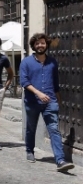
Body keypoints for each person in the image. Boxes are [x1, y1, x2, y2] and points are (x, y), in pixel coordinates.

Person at [20, 33, 74, 172]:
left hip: (50, 101)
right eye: (37, 43)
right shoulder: (26, 62)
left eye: (42, 43)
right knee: (31, 128)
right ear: (33, 46)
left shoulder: (52, 62)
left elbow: (55, 83)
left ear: (46, 44)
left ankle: (60, 160)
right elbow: (24, 82)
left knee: (54, 130)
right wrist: (38, 93)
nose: (40, 45)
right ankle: (29, 150)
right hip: (32, 101)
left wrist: (58, 98)